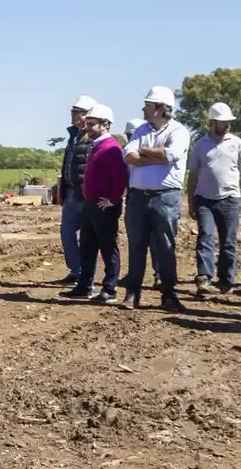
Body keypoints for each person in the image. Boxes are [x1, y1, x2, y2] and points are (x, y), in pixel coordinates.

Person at [121, 86, 190, 312]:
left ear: (160, 109)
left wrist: (146, 152)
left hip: (165, 198)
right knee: (136, 245)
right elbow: (128, 155)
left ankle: (169, 294)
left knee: (166, 246)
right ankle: (133, 293)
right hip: (138, 197)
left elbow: (171, 155)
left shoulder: (179, 131)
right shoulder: (141, 130)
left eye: (148, 105)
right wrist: (155, 155)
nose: (143, 108)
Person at [61, 104, 127, 304]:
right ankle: (84, 286)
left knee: (107, 247)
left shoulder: (111, 148)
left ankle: (110, 289)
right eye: (87, 123)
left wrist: (112, 200)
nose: (87, 127)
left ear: (105, 125)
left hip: (102, 207)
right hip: (90, 205)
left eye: (91, 124)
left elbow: (121, 177)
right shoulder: (96, 145)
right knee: (87, 246)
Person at [186, 102, 241, 298]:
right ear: (213, 122)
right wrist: (191, 200)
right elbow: (193, 174)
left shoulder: (236, 142)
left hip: (230, 199)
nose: (227, 125)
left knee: (228, 241)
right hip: (204, 199)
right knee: (205, 236)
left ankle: (226, 279)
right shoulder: (200, 145)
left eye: (228, 121)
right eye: (223, 122)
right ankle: (204, 278)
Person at [57, 95, 97, 285]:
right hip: (71, 191)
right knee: (67, 232)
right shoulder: (74, 136)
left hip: (85, 192)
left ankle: (86, 274)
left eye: (78, 112)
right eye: (73, 111)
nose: (73, 115)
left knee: (88, 236)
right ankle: (76, 270)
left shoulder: (93, 138)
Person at [124, 116, 162, 289]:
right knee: (136, 241)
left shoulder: (150, 147)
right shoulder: (128, 150)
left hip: (152, 195)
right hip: (134, 195)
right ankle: (134, 276)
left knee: (156, 240)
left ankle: (159, 275)